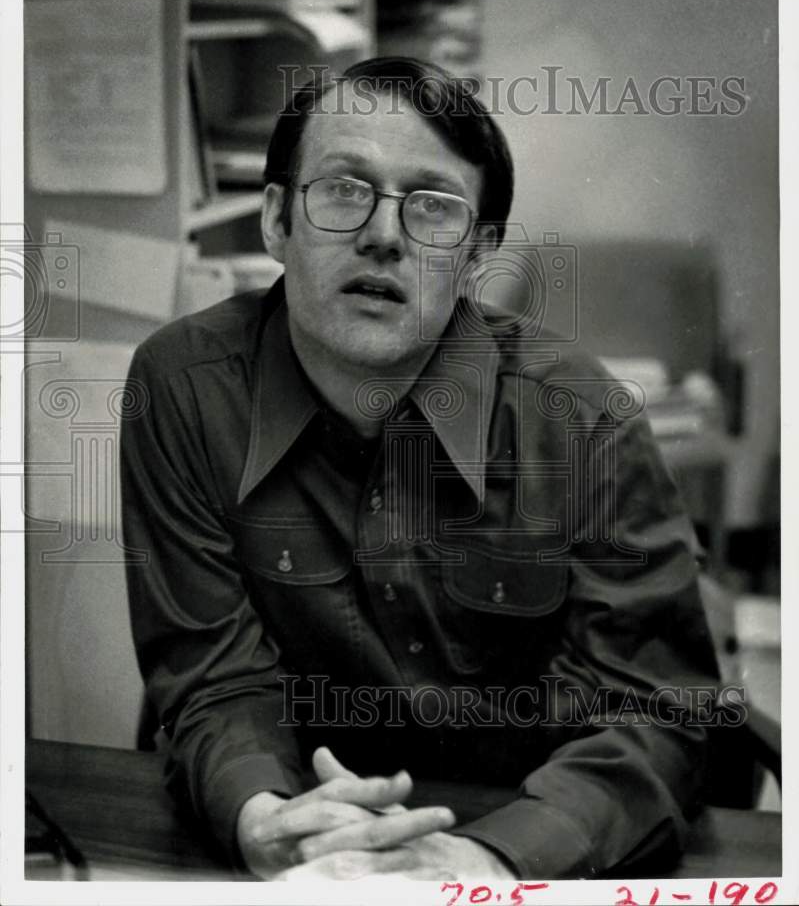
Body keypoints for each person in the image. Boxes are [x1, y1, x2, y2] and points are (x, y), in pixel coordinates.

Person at [122, 56, 720, 881]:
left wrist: (490, 860)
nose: (382, 234)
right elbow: (211, 673)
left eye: (432, 208)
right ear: (273, 221)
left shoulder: (580, 416)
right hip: (290, 843)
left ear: (477, 255)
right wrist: (265, 819)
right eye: (342, 189)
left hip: (508, 840)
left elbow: (653, 706)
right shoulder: (182, 389)